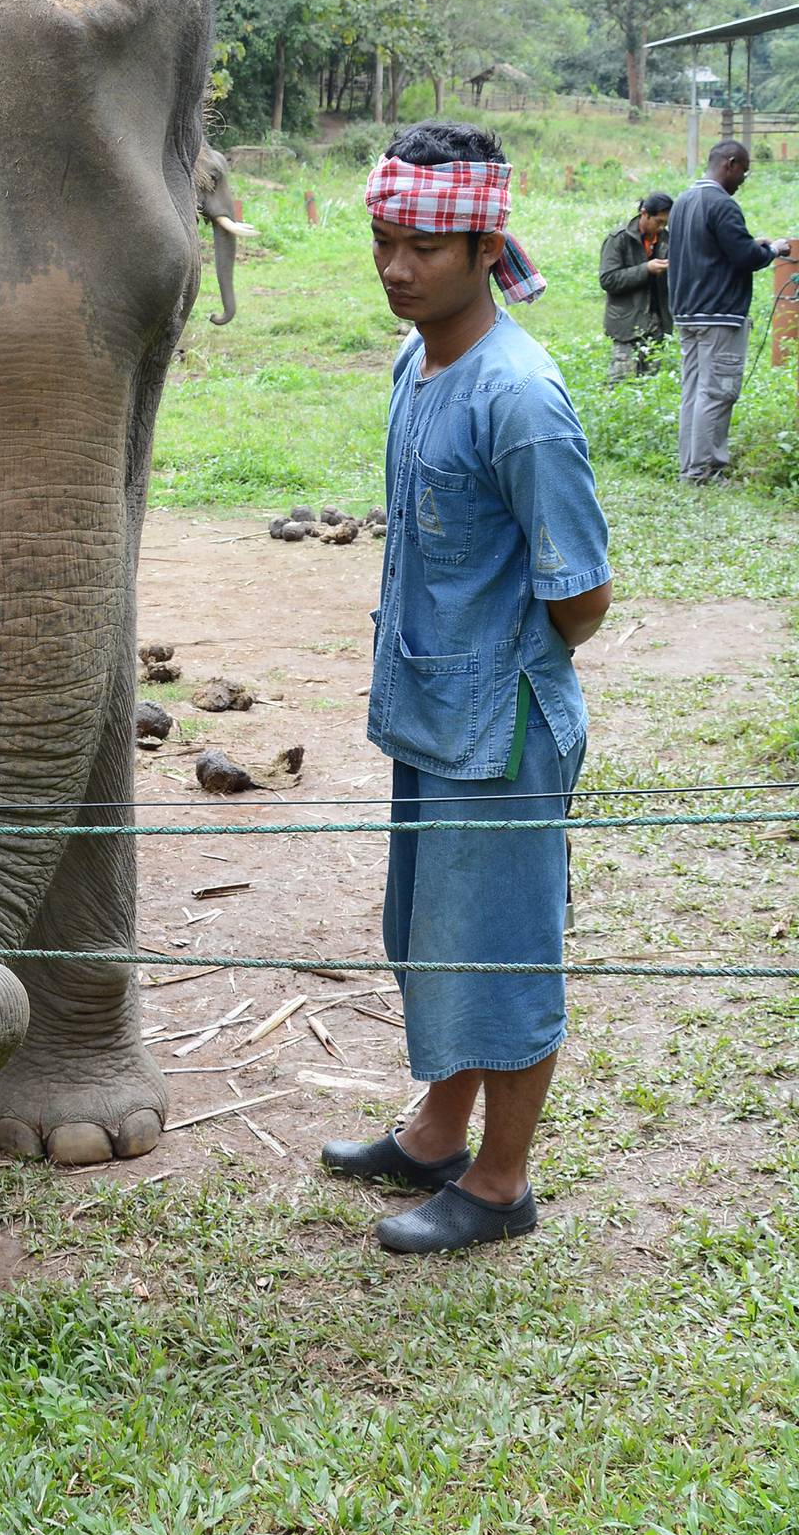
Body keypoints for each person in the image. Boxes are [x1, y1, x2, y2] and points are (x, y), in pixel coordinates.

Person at [322, 122, 613, 1256]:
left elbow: (578, 593)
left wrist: (500, 672)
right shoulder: (417, 361)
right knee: (428, 929)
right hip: (431, 712)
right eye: (384, 240)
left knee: (498, 944)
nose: (396, 266)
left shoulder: (520, 399)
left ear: (485, 246)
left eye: (422, 248)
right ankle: (436, 1130)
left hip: (499, 728)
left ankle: (497, 1186)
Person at [666, 139, 796, 483]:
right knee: (718, 392)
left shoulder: (684, 201)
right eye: (744, 172)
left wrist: (754, 243)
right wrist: (773, 250)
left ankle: (690, 469)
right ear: (731, 164)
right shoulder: (722, 205)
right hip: (719, 314)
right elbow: (745, 258)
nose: (742, 180)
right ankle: (706, 472)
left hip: (688, 311)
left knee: (694, 391)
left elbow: (713, 248)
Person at [597, 191, 672, 380]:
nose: (662, 228)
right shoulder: (618, 239)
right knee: (621, 382)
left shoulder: (666, 239)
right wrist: (646, 269)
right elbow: (608, 279)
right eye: (659, 222)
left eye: (665, 223)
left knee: (651, 383)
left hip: (657, 323)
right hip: (625, 323)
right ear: (645, 214)